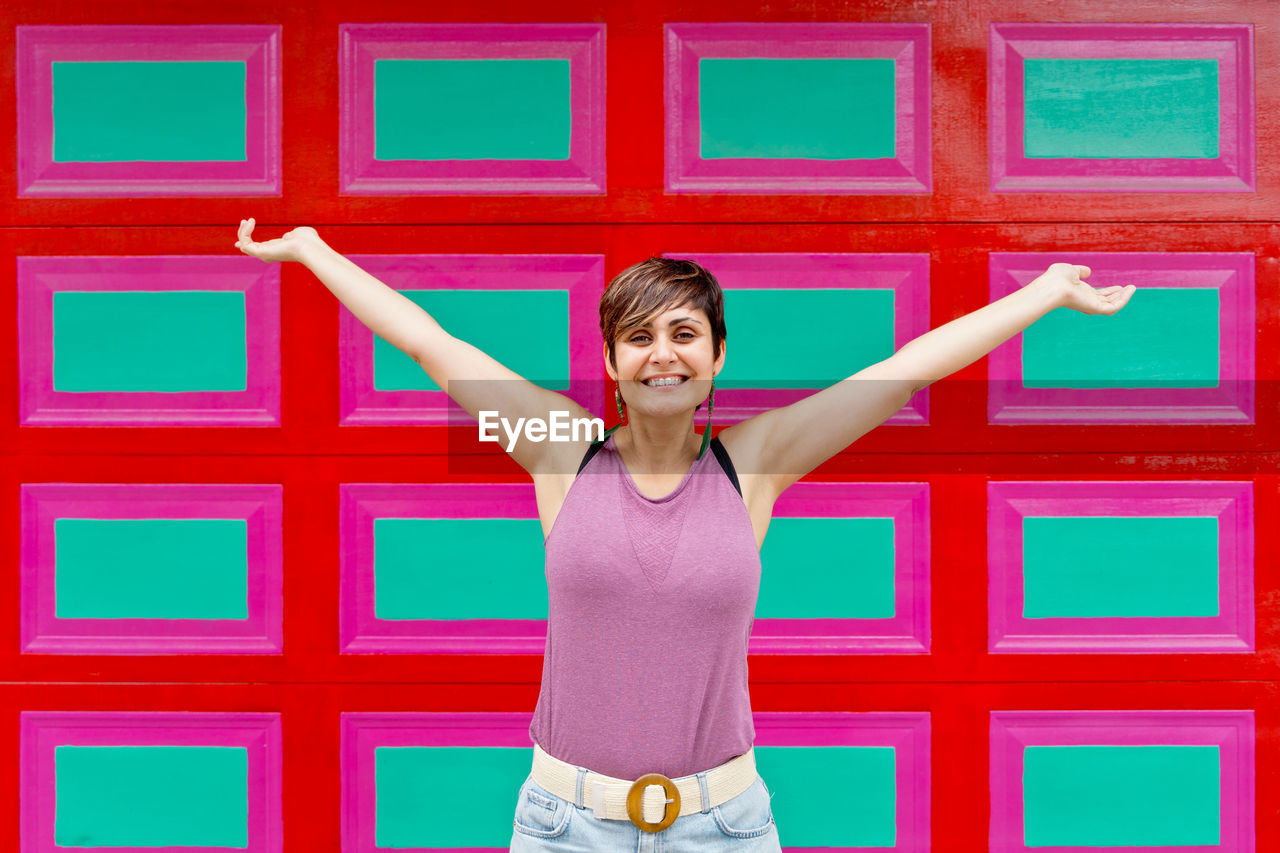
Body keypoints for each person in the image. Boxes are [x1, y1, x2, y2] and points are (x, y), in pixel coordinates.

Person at [234, 218, 1135, 851]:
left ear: (716, 356)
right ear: (611, 363)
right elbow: (430, 343)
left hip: (723, 826)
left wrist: (1047, 294)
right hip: (564, 826)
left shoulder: (757, 462)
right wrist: (314, 253)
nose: (662, 352)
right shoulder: (560, 450)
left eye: (684, 332)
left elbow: (900, 374)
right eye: (639, 337)